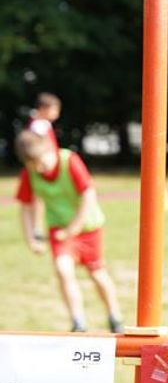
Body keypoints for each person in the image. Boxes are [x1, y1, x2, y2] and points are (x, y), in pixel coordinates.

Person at [14, 130, 123, 333]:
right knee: (63, 270)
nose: (40, 168)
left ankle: (114, 316)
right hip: (59, 229)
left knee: (98, 274)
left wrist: (73, 228)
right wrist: (31, 238)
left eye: (42, 161)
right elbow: (26, 207)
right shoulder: (30, 174)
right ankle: (78, 321)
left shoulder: (69, 161)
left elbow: (88, 196)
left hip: (88, 227)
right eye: (33, 165)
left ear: (50, 149)